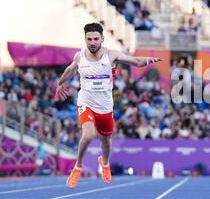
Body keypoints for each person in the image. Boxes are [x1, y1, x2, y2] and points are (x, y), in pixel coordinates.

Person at [54, 22, 163, 189]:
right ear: (85, 39)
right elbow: (70, 70)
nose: (92, 42)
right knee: (88, 135)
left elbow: (135, 61)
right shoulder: (79, 56)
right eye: (89, 39)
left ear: (102, 39)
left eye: (96, 39)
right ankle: (78, 167)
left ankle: (104, 164)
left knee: (106, 141)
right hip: (86, 102)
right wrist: (60, 83)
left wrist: (146, 60)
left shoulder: (111, 55)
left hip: (105, 106)